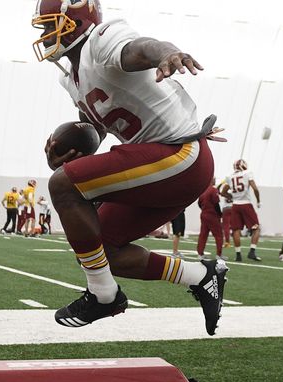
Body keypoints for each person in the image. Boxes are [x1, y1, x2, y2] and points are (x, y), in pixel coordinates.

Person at [33, 0, 227, 335]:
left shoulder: (102, 40)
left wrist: (167, 52)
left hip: (180, 155)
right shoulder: (71, 80)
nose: (47, 33)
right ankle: (202, 276)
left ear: (77, 21)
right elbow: (97, 126)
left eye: (52, 24)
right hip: (162, 167)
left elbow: (140, 49)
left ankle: (104, 296)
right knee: (100, 250)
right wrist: (73, 152)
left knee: (63, 186)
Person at [221, 159, 262, 261]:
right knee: (256, 228)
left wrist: (231, 196)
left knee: (236, 230)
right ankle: (252, 252)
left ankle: (238, 255)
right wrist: (258, 201)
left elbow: (223, 192)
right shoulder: (247, 173)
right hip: (246, 204)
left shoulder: (230, 177)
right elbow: (255, 189)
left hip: (235, 205)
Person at [196, 177, 224, 261]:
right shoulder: (213, 190)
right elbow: (216, 204)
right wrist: (220, 214)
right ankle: (219, 254)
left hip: (204, 214)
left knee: (203, 235)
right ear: (211, 180)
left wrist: (205, 210)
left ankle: (200, 253)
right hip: (212, 215)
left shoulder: (203, 190)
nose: (215, 180)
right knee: (218, 235)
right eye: (214, 179)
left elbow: (199, 203)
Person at [217, 175, 233, 252]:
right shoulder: (235, 190)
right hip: (234, 208)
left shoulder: (226, 189)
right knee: (234, 226)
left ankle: (227, 241)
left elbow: (218, 191)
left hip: (226, 208)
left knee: (226, 226)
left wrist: (221, 183)